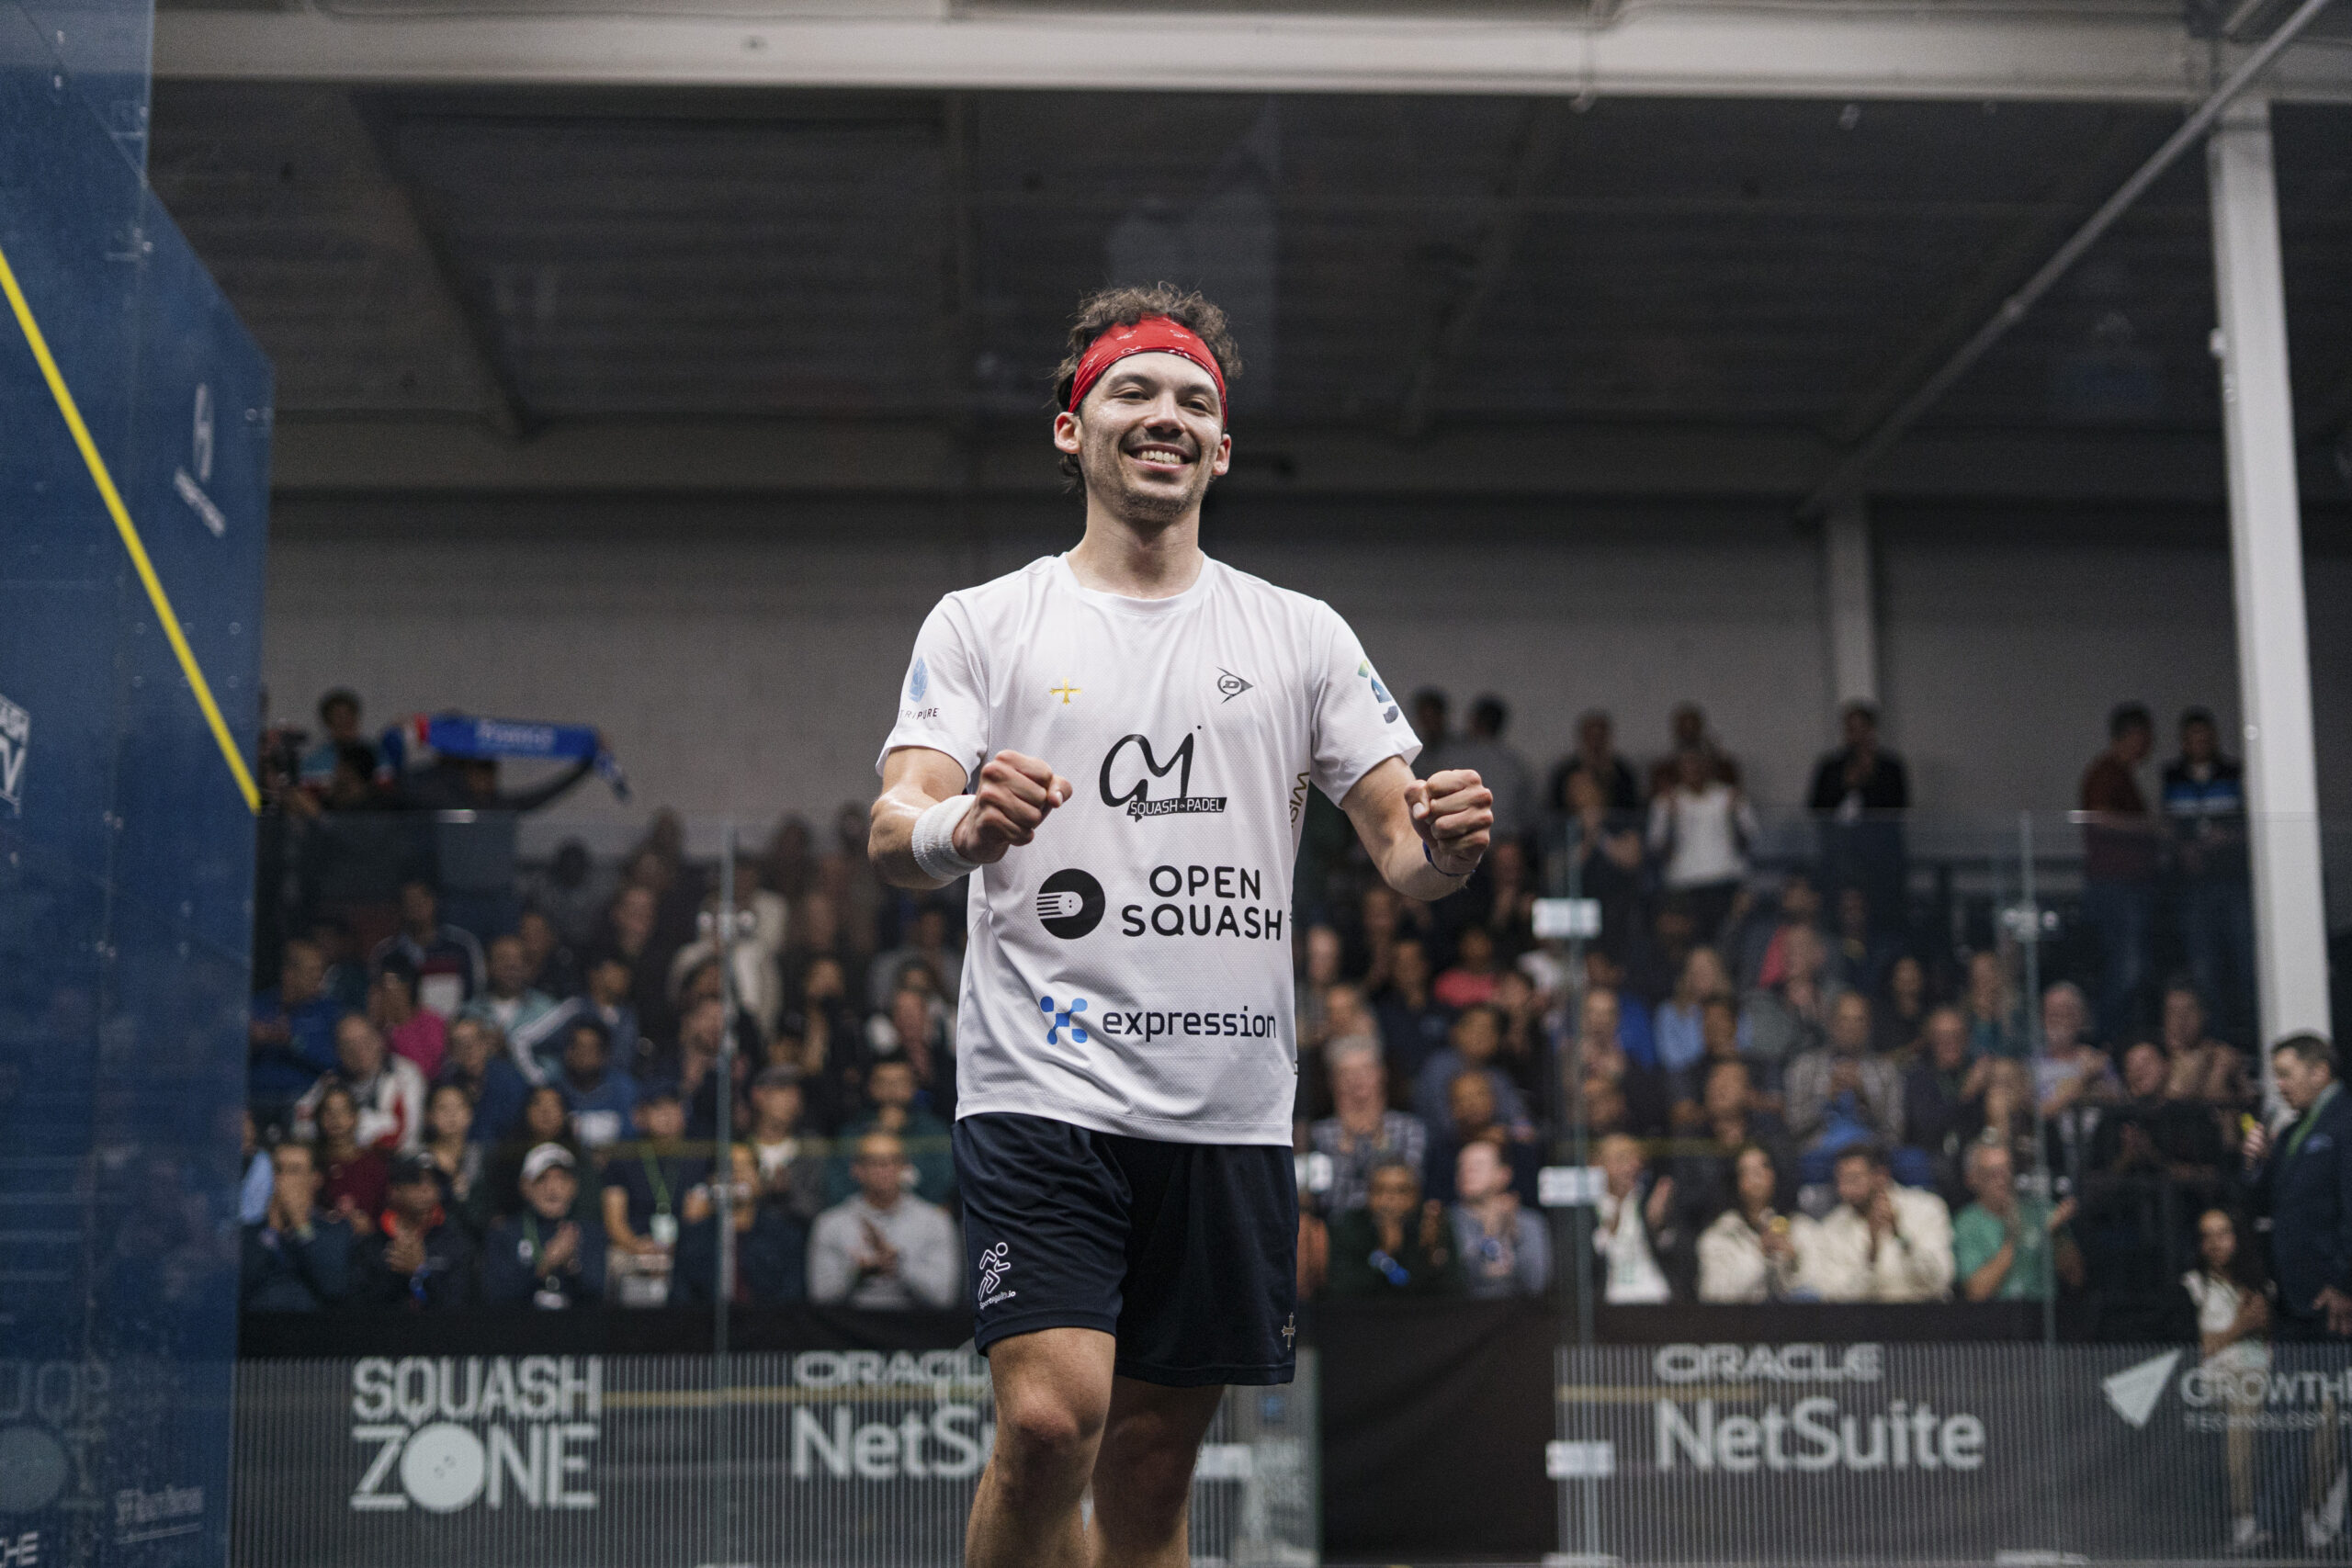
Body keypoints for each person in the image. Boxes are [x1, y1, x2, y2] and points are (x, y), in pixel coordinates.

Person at [866, 284, 1493, 1568]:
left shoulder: (1299, 632)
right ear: (1069, 429)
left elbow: (1403, 850)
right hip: (1040, 1088)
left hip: (1224, 1106)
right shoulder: (986, 620)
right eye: (1134, 391)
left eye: (1194, 401)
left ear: (1220, 445)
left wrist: (1445, 843)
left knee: (1150, 1473)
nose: (1166, 414)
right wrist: (964, 830)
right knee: (1049, 1422)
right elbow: (895, 823)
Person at [2243, 1035, 2352, 1337]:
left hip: (2334, 1299)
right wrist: (2257, 1164)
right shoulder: (2290, 1133)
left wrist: (2344, 1284)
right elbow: (2268, 1204)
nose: (2279, 1084)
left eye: (2285, 1074)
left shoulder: (2345, 1123)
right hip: (2294, 1296)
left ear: (2319, 1072)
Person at [2180, 1208, 2270, 1552]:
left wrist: (2264, 1322)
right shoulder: (2192, 1285)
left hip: (2271, 1378)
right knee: (2243, 1406)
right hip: (2219, 1383)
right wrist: (2240, 1326)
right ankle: (2244, 1518)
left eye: (2224, 1233)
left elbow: (2272, 1340)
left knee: (2326, 1408)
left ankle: (2318, 1516)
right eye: (2208, 1235)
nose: (2216, 1242)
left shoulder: (2259, 1283)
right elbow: (2193, 1350)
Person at [2163, 708, 2256, 1042]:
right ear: (2184, 742)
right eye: (2193, 737)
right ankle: (2216, 1039)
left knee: (2245, 958)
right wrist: (2183, 848)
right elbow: (2167, 824)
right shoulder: (2172, 775)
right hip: (2193, 883)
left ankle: (2251, 1034)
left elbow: (2251, 826)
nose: (2200, 743)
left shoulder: (2233, 772)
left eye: (2206, 736)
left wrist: (2225, 839)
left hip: (2231, 877)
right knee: (2204, 966)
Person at [2079, 702, 2163, 1045]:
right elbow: (2099, 816)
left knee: (2133, 966)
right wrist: (2148, 827)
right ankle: (2107, 1040)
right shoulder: (2105, 773)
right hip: (2116, 887)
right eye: (2146, 737)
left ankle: (2121, 1038)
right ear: (2132, 736)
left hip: (2132, 886)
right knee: (2125, 967)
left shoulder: (2123, 775)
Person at [807, 1131, 960, 1310]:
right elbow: (819, 1297)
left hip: (916, 1331)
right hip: (847, 1331)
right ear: (856, 1169)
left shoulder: (935, 1222)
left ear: (905, 1167)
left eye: (892, 1161)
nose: (883, 1169)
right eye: (874, 1162)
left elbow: (944, 1297)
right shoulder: (830, 1224)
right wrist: (857, 1275)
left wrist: (898, 1267)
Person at [1784, 993, 1908, 1186]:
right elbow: (1794, 1125)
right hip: (1820, 1154)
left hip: (1873, 1153)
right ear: (1831, 1023)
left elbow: (1895, 1130)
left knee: (1912, 1162)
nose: (1851, 1027)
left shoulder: (1886, 1070)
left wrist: (1864, 1096)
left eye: (1859, 1020)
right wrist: (1826, 1098)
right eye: (1844, 1019)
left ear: (1868, 1026)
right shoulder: (1805, 1067)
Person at [1803, 1144, 1953, 1303]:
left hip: (1926, 1316)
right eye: (1840, 1181)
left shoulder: (1927, 1208)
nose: (1844, 1190)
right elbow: (1835, 1298)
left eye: (1853, 1179)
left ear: (1881, 1176)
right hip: (1863, 1321)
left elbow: (1938, 1281)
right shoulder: (1831, 1227)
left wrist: (1900, 1234)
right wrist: (1872, 1255)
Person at [1807, 701, 1910, 929]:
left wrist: (1869, 781)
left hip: (1880, 858)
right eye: (1850, 729)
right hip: (1839, 855)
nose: (1855, 735)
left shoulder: (1890, 767)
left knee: (1882, 915)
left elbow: (1898, 807)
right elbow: (1816, 806)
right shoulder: (1831, 767)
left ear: (1872, 729)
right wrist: (1845, 784)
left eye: (1861, 728)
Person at [673, 1144, 809, 1305]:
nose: (736, 1175)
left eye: (745, 1167)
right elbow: (680, 1301)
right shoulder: (693, 1238)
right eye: (728, 1167)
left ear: (760, 1180)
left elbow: (793, 1299)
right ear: (711, 1180)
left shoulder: (786, 1236)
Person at [1646, 746, 1758, 942]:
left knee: (1728, 940)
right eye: (1687, 764)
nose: (1693, 769)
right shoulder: (1665, 802)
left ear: (1709, 766)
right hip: (1684, 885)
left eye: (1698, 763)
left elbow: (1747, 843)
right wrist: (1672, 819)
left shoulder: (1730, 796)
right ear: (1678, 768)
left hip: (1725, 881)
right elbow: (1659, 852)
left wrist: (1732, 816)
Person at [1307, 1036, 1428, 1215]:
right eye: (1346, 1073)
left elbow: (1406, 1193)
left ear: (1382, 1074)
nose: (1357, 1080)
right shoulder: (1318, 1136)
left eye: (1366, 1070)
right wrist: (1345, 1147)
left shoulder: (1409, 1129)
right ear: (1333, 1081)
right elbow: (1323, 1198)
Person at [481, 1144, 610, 1307]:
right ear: (525, 1186)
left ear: (574, 1186)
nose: (553, 1189)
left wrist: (572, 1265)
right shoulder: (504, 1232)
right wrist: (545, 1265)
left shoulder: (590, 1232)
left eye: (562, 1178)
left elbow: (598, 1293)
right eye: (542, 1179)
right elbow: (497, 1295)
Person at [1951, 1142, 2082, 1302]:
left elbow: (2076, 1278)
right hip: (1994, 1317)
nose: (2003, 1180)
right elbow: (1977, 1292)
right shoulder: (1966, 1223)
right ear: (1972, 1179)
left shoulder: (2041, 1210)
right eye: (1993, 1173)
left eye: (2008, 1170)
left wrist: (2056, 1233)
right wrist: (2026, 1236)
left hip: (2043, 1313)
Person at [352, 1152, 478, 1309]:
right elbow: (361, 1308)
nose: (425, 1188)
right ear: (394, 1190)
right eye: (415, 1180)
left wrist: (421, 1274)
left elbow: (459, 1306)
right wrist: (401, 1274)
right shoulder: (371, 1245)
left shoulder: (456, 1244)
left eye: (433, 1182)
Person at [292, 1013, 427, 1156]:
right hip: (338, 1161)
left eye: (364, 1040)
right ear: (337, 1051)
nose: (358, 1050)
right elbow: (301, 1126)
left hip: (394, 1164)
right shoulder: (330, 1080)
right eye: (348, 1044)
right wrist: (377, 1123)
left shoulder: (405, 1074)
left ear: (379, 1040)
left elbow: (402, 1136)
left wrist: (342, 1131)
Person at [1324, 1158, 1461, 1298]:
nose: (1389, 1199)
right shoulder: (1350, 1226)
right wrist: (1384, 1253)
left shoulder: (1431, 1226)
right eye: (1380, 1190)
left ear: (1415, 1195)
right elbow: (1342, 1289)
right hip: (1364, 1317)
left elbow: (1454, 1290)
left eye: (1400, 1191)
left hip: (1423, 1317)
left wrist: (1433, 1256)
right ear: (1368, 1194)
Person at [240, 1143, 351, 1311]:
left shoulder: (335, 1230)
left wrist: (302, 1226)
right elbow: (239, 1289)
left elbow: (333, 1287)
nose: (283, 1178)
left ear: (315, 1179)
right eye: (278, 1169)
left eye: (294, 1170)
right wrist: (272, 1230)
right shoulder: (250, 1233)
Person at [602, 1089, 708, 1262]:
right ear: (640, 1116)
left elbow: (698, 1215)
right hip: (634, 1247)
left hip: (684, 1246)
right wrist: (636, 1245)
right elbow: (614, 1220)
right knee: (617, 1258)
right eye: (657, 1107)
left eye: (674, 1106)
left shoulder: (697, 1156)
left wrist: (678, 1247)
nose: (667, 1114)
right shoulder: (624, 1156)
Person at [1696, 1145, 1811, 1303]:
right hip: (1739, 1323)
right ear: (1736, 1181)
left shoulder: (1802, 1228)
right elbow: (1713, 1295)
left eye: (1763, 1167)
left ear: (1775, 1174)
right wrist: (1759, 1256)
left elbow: (1822, 1291)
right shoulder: (1718, 1237)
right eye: (1746, 1171)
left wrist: (1792, 1262)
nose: (1756, 1176)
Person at [248, 938, 345, 1118]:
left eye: (320, 970)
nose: (319, 977)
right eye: (312, 970)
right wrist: (251, 1040)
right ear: (289, 973)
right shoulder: (257, 1007)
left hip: (304, 1102)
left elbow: (335, 1060)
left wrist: (293, 1041)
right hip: (255, 1099)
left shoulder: (329, 1010)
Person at [369, 879, 486, 1020]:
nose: (415, 906)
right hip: (403, 1032)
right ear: (400, 907)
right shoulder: (386, 952)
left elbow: (477, 994)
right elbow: (377, 999)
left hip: (454, 1028)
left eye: (420, 899)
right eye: (409, 901)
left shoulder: (462, 945)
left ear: (433, 901)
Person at [1449, 1141, 1549, 1299]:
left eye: (1478, 1165)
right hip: (1463, 1315)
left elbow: (1536, 1282)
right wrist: (1491, 1232)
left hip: (1522, 1315)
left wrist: (1514, 1234)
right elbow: (1461, 1280)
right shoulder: (1448, 1221)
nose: (1467, 1172)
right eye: (1462, 1166)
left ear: (1503, 1174)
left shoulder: (1529, 1222)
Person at [1592, 1133, 1680, 1303]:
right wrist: (1614, 1216)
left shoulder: (1649, 1201)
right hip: (1608, 1303)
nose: (1632, 1166)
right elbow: (1585, 1267)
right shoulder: (1587, 1210)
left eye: (1636, 1160)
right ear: (1598, 1164)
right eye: (1622, 1159)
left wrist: (1659, 1225)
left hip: (1656, 1297)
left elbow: (1677, 1259)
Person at [458, 933, 560, 1074]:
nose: (511, 966)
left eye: (518, 960)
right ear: (488, 966)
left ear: (528, 968)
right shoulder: (469, 1012)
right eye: (503, 958)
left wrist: (513, 1051)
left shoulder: (547, 1011)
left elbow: (555, 1068)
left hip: (530, 1092)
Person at [747, 1064, 829, 1223]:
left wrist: (788, 1192)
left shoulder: (812, 1147)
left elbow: (821, 1206)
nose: (792, 1099)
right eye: (782, 1090)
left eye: (796, 1092)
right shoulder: (739, 1147)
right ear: (758, 1095)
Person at [553, 1017, 638, 1154]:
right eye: (577, 1046)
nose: (583, 1055)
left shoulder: (623, 1088)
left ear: (604, 1054)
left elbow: (631, 1139)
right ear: (568, 1052)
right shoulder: (555, 1091)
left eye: (590, 1048)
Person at [311, 1084, 388, 1229]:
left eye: (343, 1111)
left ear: (355, 1116)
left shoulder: (375, 1166)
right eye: (329, 1112)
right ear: (319, 1118)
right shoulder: (312, 1163)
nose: (335, 1118)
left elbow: (385, 1216)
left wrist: (369, 1228)